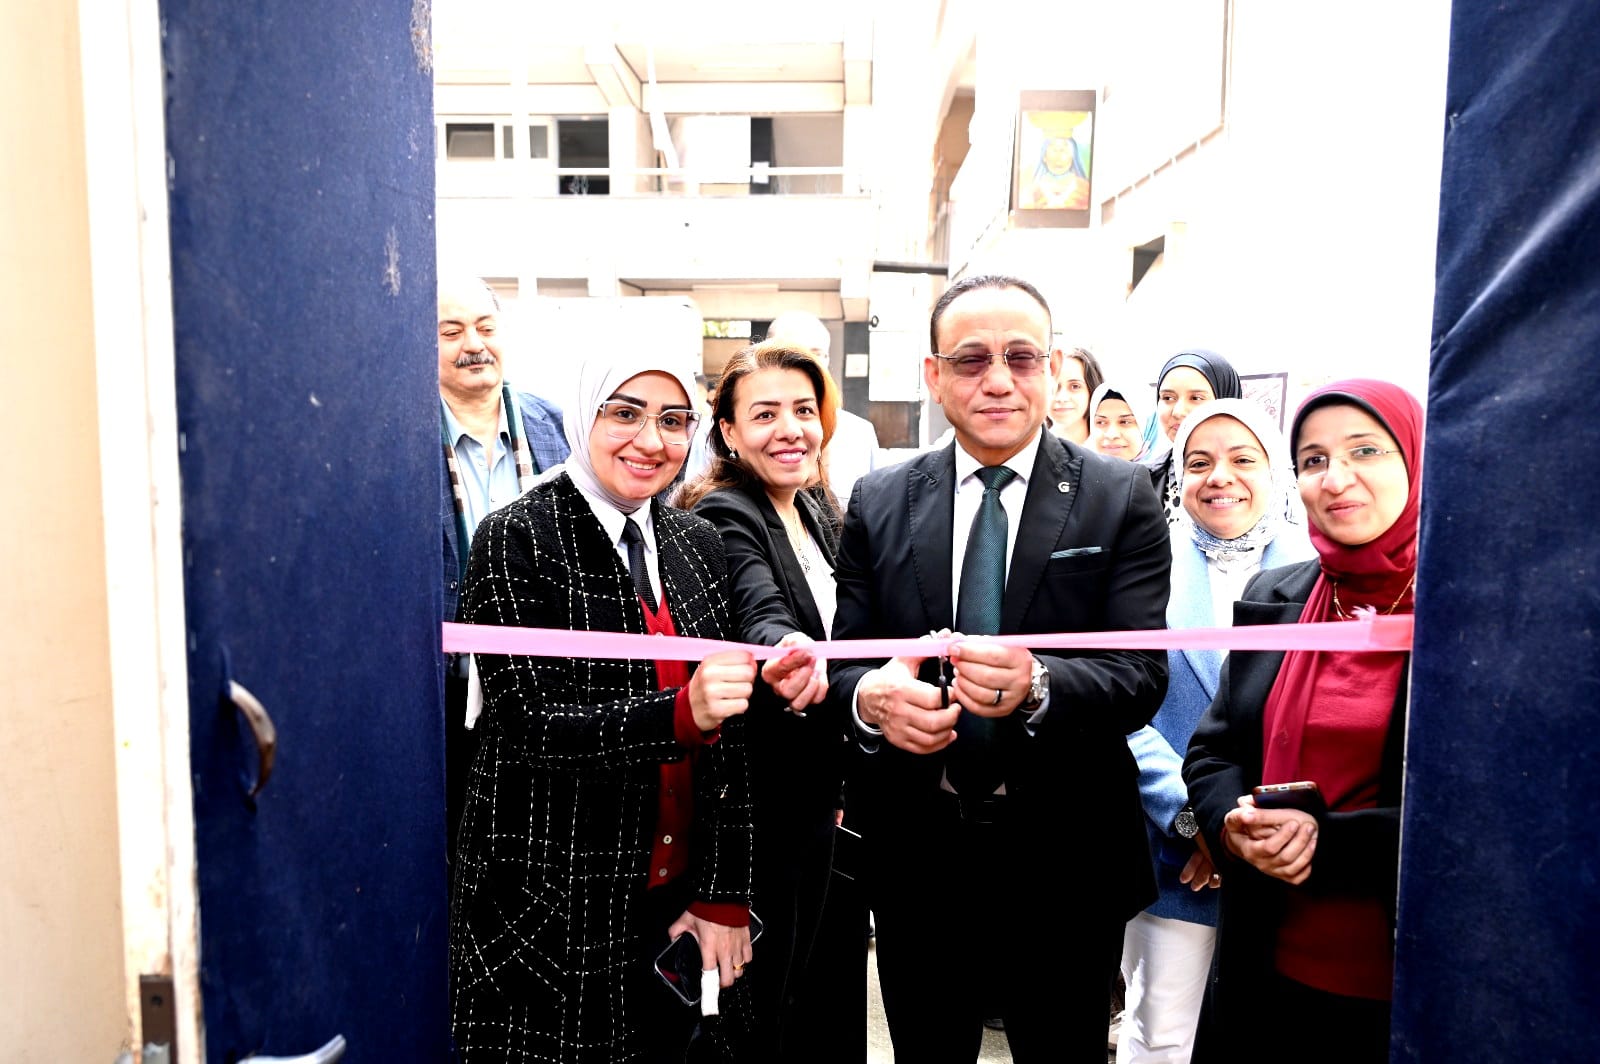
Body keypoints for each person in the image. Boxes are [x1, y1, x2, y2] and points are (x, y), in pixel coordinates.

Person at [830, 273, 1172, 1063]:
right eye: (971, 359)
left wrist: (1040, 684)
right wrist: (874, 700)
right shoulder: (879, 499)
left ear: (1052, 370)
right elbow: (849, 661)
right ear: (933, 375)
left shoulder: (1118, 494)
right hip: (919, 853)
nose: (997, 381)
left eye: (1021, 358)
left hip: (1067, 853)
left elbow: (1140, 673)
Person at [447, 345, 822, 1062]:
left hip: (676, 900)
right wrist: (679, 715)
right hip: (551, 902)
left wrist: (722, 894)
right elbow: (527, 726)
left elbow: (731, 739)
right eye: (625, 414)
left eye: (674, 421)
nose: (651, 441)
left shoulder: (696, 542)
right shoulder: (516, 537)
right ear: (583, 414)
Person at [1182, 379, 1424, 1062]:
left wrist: (1327, 842)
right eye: (1314, 460)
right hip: (1264, 968)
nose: (1335, 478)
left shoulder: (1471, 613)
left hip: (1400, 983)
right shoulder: (1277, 595)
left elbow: (1488, 811)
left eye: (1365, 451)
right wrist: (1231, 823)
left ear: (1417, 461)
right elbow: (1214, 750)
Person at [676, 338, 866, 1063]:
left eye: (803, 410)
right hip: (759, 811)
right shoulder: (725, 511)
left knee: (810, 999)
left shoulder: (815, 507)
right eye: (765, 415)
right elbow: (760, 610)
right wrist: (787, 651)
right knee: (762, 1011)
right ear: (728, 432)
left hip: (818, 796)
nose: (791, 430)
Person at [1118, 398, 1314, 1064]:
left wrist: (1242, 823)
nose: (1219, 477)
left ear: (1275, 470)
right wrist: (1196, 818)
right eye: (1199, 462)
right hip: (1175, 851)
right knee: (1160, 1028)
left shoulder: (1319, 571)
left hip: (1283, 845)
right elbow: (1122, 706)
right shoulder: (1146, 565)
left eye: (1243, 459)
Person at [437, 276, 569, 858]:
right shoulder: (399, 431)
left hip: (551, 690)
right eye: (451, 332)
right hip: (446, 692)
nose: (474, 344)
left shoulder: (555, 425)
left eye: (485, 327)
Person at [765, 309, 881, 510]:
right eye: (792, 354)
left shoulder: (859, 433)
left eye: (816, 354)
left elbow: (875, 508)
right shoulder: (738, 429)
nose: (806, 364)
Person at [1147, 350, 1243, 526]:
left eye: (1196, 398)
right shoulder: (1144, 479)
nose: (1178, 411)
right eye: (1168, 398)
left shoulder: (1256, 477)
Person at [1048, 346, 1105, 444]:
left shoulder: (1111, 448)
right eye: (1054, 386)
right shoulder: (1028, 449)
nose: (1062, 398)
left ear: (1092, 391)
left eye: (1075, 386)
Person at [1091, 379, 1150, 461]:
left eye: (1125, 422)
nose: (1111, 435)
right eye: (1101, 422)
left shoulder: (1167, 468)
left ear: (1149, 427)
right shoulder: (1080, 466)